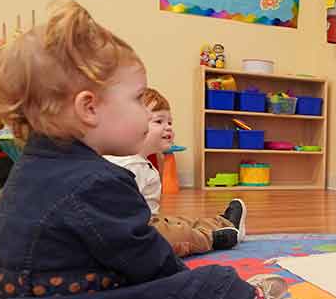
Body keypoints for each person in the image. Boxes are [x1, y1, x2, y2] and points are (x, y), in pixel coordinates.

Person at [0, 0, 304, 299]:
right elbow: (150, 263)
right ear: (89, 108)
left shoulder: (28, 169)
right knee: (213, 283)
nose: (144, 113)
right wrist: (192, 296)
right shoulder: (99, 181)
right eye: (137, 99)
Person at [104, 88, 244, 257]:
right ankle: (212, 238)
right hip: (135, 236)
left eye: (169, 122)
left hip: (147, 223)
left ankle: (224, 222)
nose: (168, 128)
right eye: (158, 121)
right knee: (180, 234)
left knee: (179, 221)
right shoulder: (131, 166)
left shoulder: (134, 162)